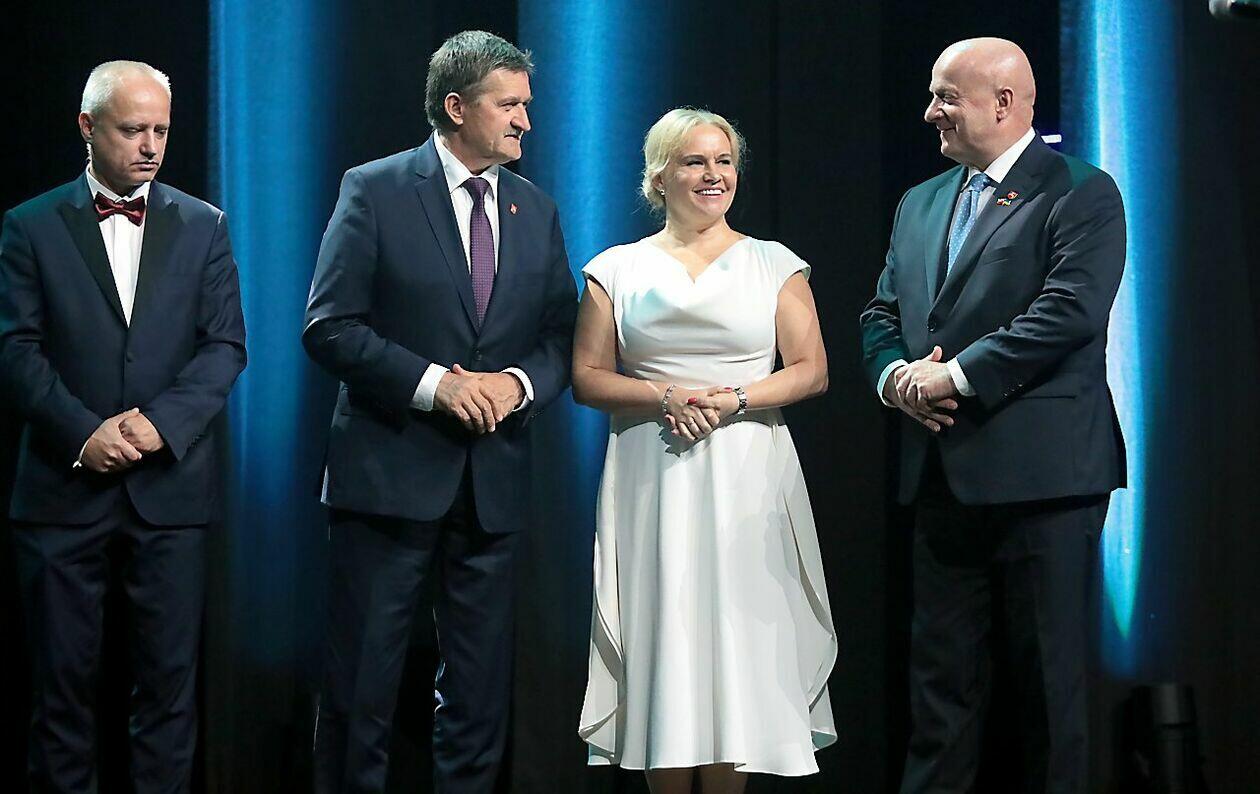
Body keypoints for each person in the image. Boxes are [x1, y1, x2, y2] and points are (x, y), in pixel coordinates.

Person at [303, 30, 578, 793]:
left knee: (479, 698)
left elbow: (562, 335)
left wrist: (516, 384)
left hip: (492, 486)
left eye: (527, 105)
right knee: (362, 686)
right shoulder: (375, 188)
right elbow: (329, 326)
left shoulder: (535, 208)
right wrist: (436, 385)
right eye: (510, 105)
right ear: (457, 107)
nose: (526, 121)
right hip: (387, 477)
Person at [860, 38, 1127, 792]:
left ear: (1003, 103)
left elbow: (1068, 312)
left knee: (1047, 694)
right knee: (938, 698)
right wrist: (895, 380)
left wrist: (954, 378)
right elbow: (882, 312)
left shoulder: (1080, 191)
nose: (929, 112)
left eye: (946, 96)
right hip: (942, 481)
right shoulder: (920, 201)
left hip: (1045, 484)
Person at [0, 61, 247, 793]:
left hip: (170, 490)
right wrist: (85, 433)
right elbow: (16, 350)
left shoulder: (205, 225)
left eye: (161, 131)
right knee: (60, 693)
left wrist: (156, 426)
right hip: (61, 489)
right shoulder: (29, 225)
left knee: (168, 691)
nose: (150, 147)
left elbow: (225, 346)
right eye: (133, 129)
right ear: (87, 127)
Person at [574, 108, 837, 793]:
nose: (713, 174)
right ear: (659, 177)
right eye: (695, 161)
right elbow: (587, 377)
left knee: (736, 650)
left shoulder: (775, 263)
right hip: (652, 477)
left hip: (746, 472)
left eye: (724, 161)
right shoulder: (615, 269)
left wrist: (734, 400)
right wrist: (664, 396)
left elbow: (811, 369)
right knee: (666, 637)